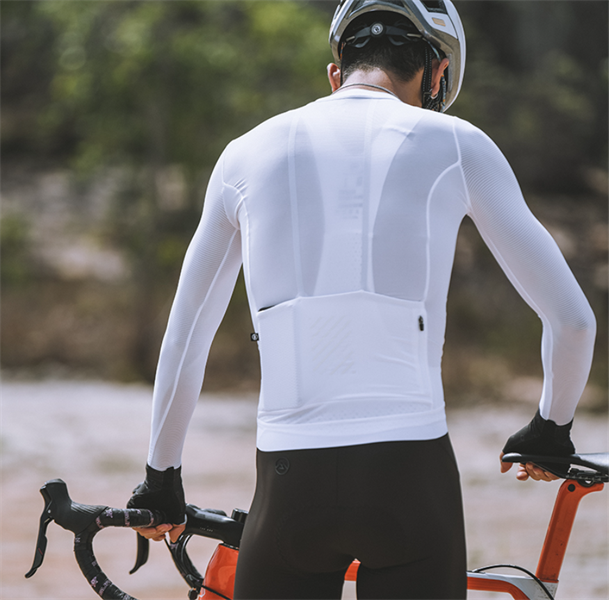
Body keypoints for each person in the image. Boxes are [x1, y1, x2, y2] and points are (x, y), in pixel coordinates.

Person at [127, 1, 596, 598]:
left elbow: (187, 334)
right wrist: (550, 428)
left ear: (336, 72)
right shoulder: (459, 144)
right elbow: (573, 321)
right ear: (436, 72)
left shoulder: (243, 153)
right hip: (411, 479)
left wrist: (160, 476)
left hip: (289, 482)